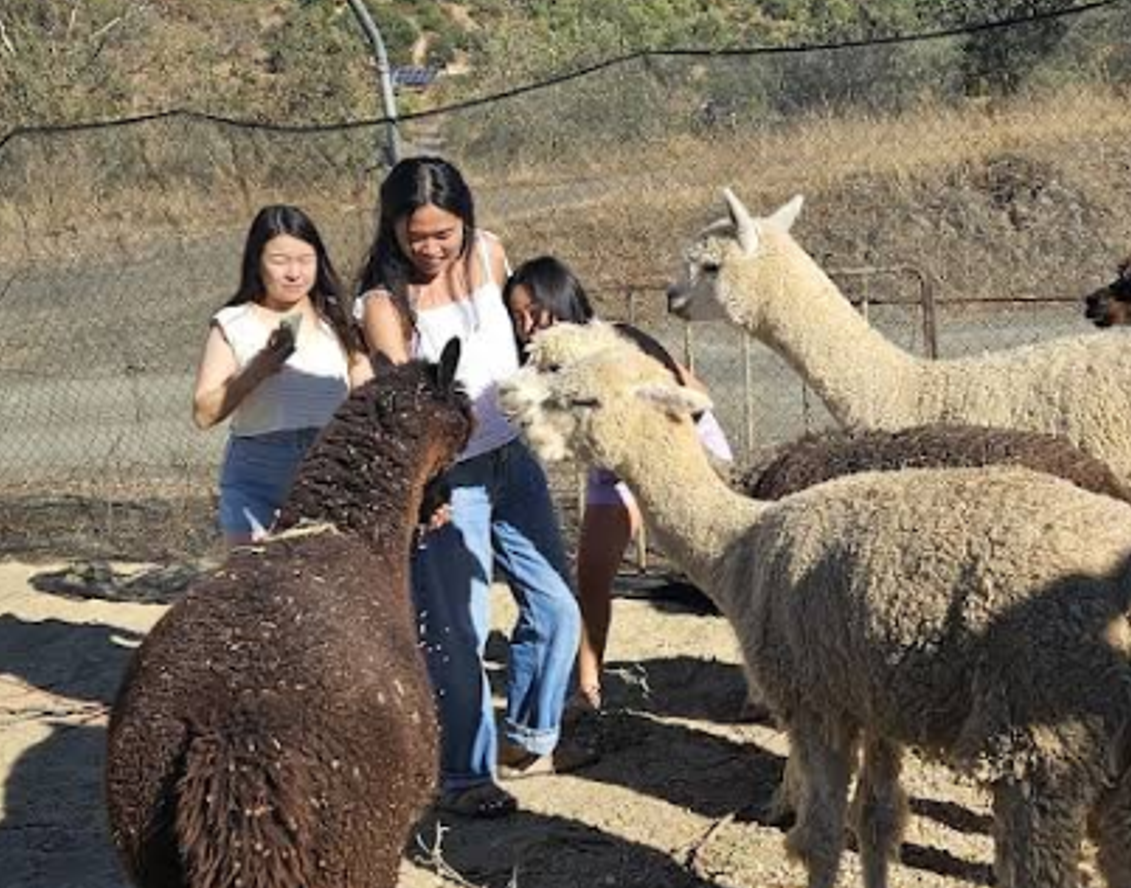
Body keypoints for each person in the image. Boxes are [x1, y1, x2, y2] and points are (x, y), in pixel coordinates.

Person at [359, 157, 581, 819]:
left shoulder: (489, 253)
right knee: (457, 628)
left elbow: (525, 334)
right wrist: (424, 491)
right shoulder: (380, 303)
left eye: (442, 234)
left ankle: (529, 737)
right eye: (415, 235)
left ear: (467, 223)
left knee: (557, 605)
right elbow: (404, 400)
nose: (429, 248)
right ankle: (463, 772)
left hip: (512, 460)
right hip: (448, 480)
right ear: (392, 228)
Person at [504, 256, 733, 713]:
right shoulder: (539, 366)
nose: (527, 325)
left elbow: (688, 390)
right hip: (611, 470)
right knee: (591, 573)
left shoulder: (621, 341)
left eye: (535, 312)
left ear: (561, 302)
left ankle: (758, 681)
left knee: (720, 569)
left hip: (676, 450)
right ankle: (588, 685)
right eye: (517, 316)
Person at [194, 204, 372, 545]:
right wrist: (257, 370)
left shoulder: (337, 321)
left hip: (329, 467)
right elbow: (203, 414)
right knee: (252, 585)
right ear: (256, 261)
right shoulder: (233, 323)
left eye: (305, 260)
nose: (294, 273)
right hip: (256, 472)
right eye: (279, 261)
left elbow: (365, 397)